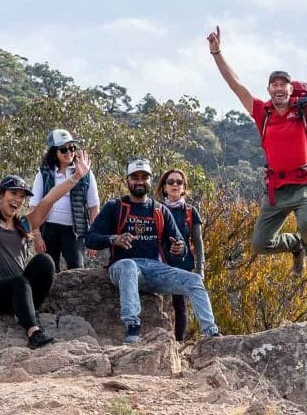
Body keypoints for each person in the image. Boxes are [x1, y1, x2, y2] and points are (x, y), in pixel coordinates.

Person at [207, 25, 307, 275]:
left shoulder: (306, 111)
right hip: (276, 190)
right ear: (269, 90)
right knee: (260, 244)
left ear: (291, 89)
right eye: (274, 84)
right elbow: (235, 84)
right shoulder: (262, 112)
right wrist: (217, 53)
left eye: (283, 84)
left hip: (304, 184)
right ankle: (297, 245)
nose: (279, 88)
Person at [0, 120, 91, 348]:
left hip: (17, 290)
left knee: (45, 262)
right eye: (12, 193)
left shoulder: (25, 224)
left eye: (21, 196)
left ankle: (26, 312)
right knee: (19, 282)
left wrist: (75, 177)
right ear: (1, 196)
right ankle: (33, 332)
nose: (17, 199)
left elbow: (49, 199)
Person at [85, 158, 220, 344]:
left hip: (154, 268)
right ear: (127, 180)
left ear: (150, 181)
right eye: (135, 177)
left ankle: (211, 333)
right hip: (122, 266)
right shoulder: (114, 207)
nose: (139, 181)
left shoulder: (159, 210)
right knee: (129, 266)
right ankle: (133, 328)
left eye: (144, 177)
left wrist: (178, 248)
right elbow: (90, 238)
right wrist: (113, 239)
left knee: (194, 280)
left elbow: (179, 241)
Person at [30, 128, 100, 272]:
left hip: (74, 230)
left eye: (72, 148)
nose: (69, 152)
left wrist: (95, 235)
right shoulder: (44, 174)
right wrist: (36, 236)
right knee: (48, 269)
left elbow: (94, 206)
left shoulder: (86, 173)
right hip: (48, 228)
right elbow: (34, 206)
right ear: (54, 151)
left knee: (76, 268)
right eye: (63, 149)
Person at [154, 168, 205, 341]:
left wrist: (200, 268)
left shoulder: (191, 212)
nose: (175, 185)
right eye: (170, 182)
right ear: (164, 187)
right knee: (154, 303)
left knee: (180, 306)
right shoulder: (155, 210)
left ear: (184, 187)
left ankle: (178, 342)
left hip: (183, 264)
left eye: (179, 182)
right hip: (159, 263)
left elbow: (198, 242)